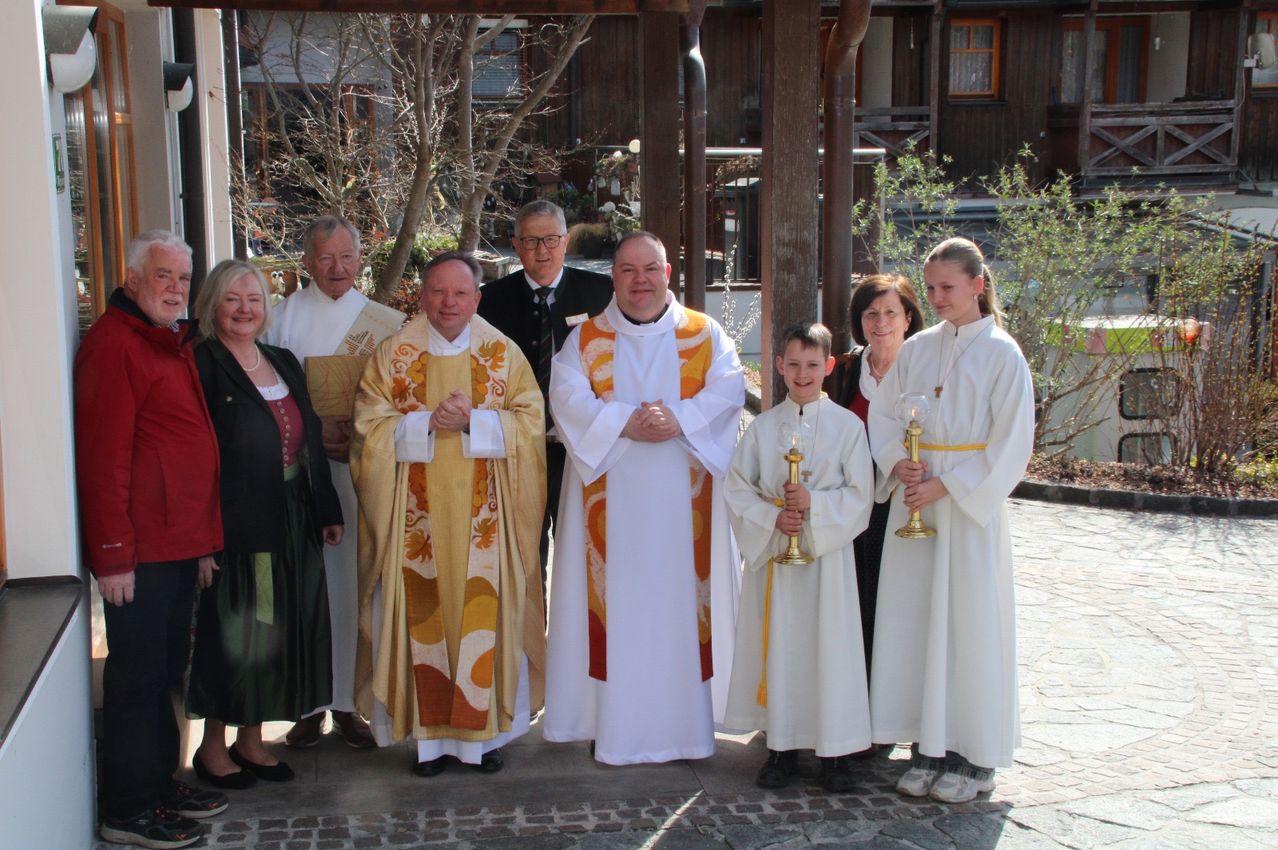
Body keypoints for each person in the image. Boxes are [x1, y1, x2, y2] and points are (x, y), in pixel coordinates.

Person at [544, 231, 745, 765]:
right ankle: (611, 727)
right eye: (629, 270)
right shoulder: (585, 340)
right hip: (609, 504)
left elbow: (729, 390)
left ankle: (688, 730)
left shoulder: (705, 335)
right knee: (614, 608)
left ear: (667, 273)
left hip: (686, 508)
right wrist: (623, 422)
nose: (640, 281)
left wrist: (677, 418)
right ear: (614, 276)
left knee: (681, 605)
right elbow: (564, 395)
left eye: (650, 268)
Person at [351, 252, 546, 776]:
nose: (449, 303)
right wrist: (421, 425)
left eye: (460, 293)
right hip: (416, 521)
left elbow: (531, 425)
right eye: (438, 292)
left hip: (488, 521)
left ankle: (485, 741)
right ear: (422, 296)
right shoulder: (393, 356)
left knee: (483, 616)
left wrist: (474, 424)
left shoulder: (502, 355)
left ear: (477, 298)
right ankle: (428, 742)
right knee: (424, 618)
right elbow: (368, 428)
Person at [74, 230, 228, 848]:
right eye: (163, 276)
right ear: (133, 279)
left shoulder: (169, 341)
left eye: (184, 280)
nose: (175, 289)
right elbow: (103, 457)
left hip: (175, 544)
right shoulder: (114, 345)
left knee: (167, 671)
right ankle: (128, 809)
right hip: (137, 552)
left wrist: (201, 545)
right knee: (137, 681)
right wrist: (112, 557)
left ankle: (161, 784)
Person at [867, 237, 1034, 803]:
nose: (936, 297)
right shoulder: (917, 349)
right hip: (915, 506)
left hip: (965, 513)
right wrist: (899, 463)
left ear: (978, 285)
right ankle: (926, 747)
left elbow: (1012, 445)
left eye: (948, 287)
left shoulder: (1003, 354)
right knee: (915, 622)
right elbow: (885, 419)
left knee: (967, 626)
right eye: (931, 286)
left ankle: (973, 756)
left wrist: (948, 484)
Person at [187, 260, 345, 788]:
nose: (244, 309)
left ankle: (252, 742)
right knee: (238, 634)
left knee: (277, 632)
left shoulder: (280, 359)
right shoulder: (200, 363)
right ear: (212, 305)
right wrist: (202, 539)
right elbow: (194, 457)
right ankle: (212, 749)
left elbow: (311, 439)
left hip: (292, 515)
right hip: (237, 523)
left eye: (253, 299)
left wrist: (325, 511)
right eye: (232, 299)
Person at [723, 322, 875, 792]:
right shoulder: (764, 427)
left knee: (831, 649)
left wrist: (815, 507)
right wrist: (773, 521)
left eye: (813, 365)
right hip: (777, 564)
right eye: (794, 364)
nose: (803, 373)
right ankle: (782, 748)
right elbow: (736, 488)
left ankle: (836, 754)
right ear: (779, 366)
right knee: (782, 648)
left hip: (826, 561)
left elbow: (862, 495)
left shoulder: (848, 427)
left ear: (829, 367)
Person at [264, 216, 378, 750]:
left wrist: (358, 431)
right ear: (306, 262)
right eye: (326, 258)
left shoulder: (386, 322)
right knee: (307, 589)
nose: (338, 269)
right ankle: (308, 704)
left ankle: (351, 703)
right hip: (302, 474)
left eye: (347, 257)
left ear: (361, 259)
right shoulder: (279, 321)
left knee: (357, 587)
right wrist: (312, 431)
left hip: (363, 472)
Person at [477, 200, 613, 576]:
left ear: (566, 241)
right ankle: (531, 636)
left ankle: (579, 636)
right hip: (516, 450)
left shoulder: (603, 295)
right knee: (523, 559)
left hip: (581, 450)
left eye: (551, 239)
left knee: (585, 553)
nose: (542, 250)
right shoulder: (488, 302)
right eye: (531, 240)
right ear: (516, 245)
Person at [826, 276, 925, 687]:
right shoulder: (845, 371)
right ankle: (852, 700)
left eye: (890, 312)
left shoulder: (924, 371)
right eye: (871, 313)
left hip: (902, 501)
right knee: (853, 601)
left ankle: (893, 701)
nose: (880, 322)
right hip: (849, 503)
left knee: (897, 605)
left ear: (908, 318)